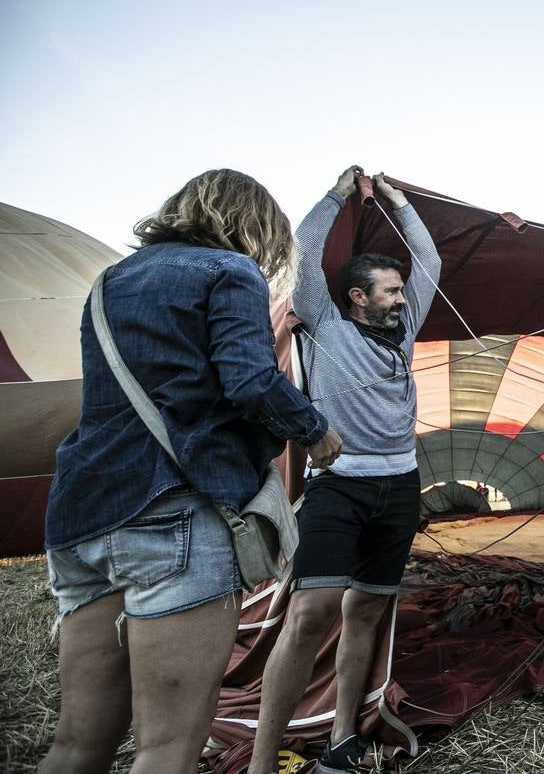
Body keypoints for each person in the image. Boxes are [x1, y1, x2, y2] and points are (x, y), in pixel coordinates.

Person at [39, 170, 342, 774]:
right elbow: (250, 380)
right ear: (255, 227)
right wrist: (316, 431)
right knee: (168, 750)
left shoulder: (110, 282)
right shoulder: (230, 272)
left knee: (78, 743)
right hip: (174, 515)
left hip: (81, 516)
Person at [249, 167, 442, 774]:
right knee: (312, 613)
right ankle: (260, 761)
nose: (401, 297)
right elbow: (305, 253)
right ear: (357, 295)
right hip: (339, 486)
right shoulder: (326, 326)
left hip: (401, 485)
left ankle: (340, 740)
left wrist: (399, 201)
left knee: (366, 611)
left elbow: (429, 261)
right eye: (389, 290)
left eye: (400, 289)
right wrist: (337, 197)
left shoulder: (404, 334)